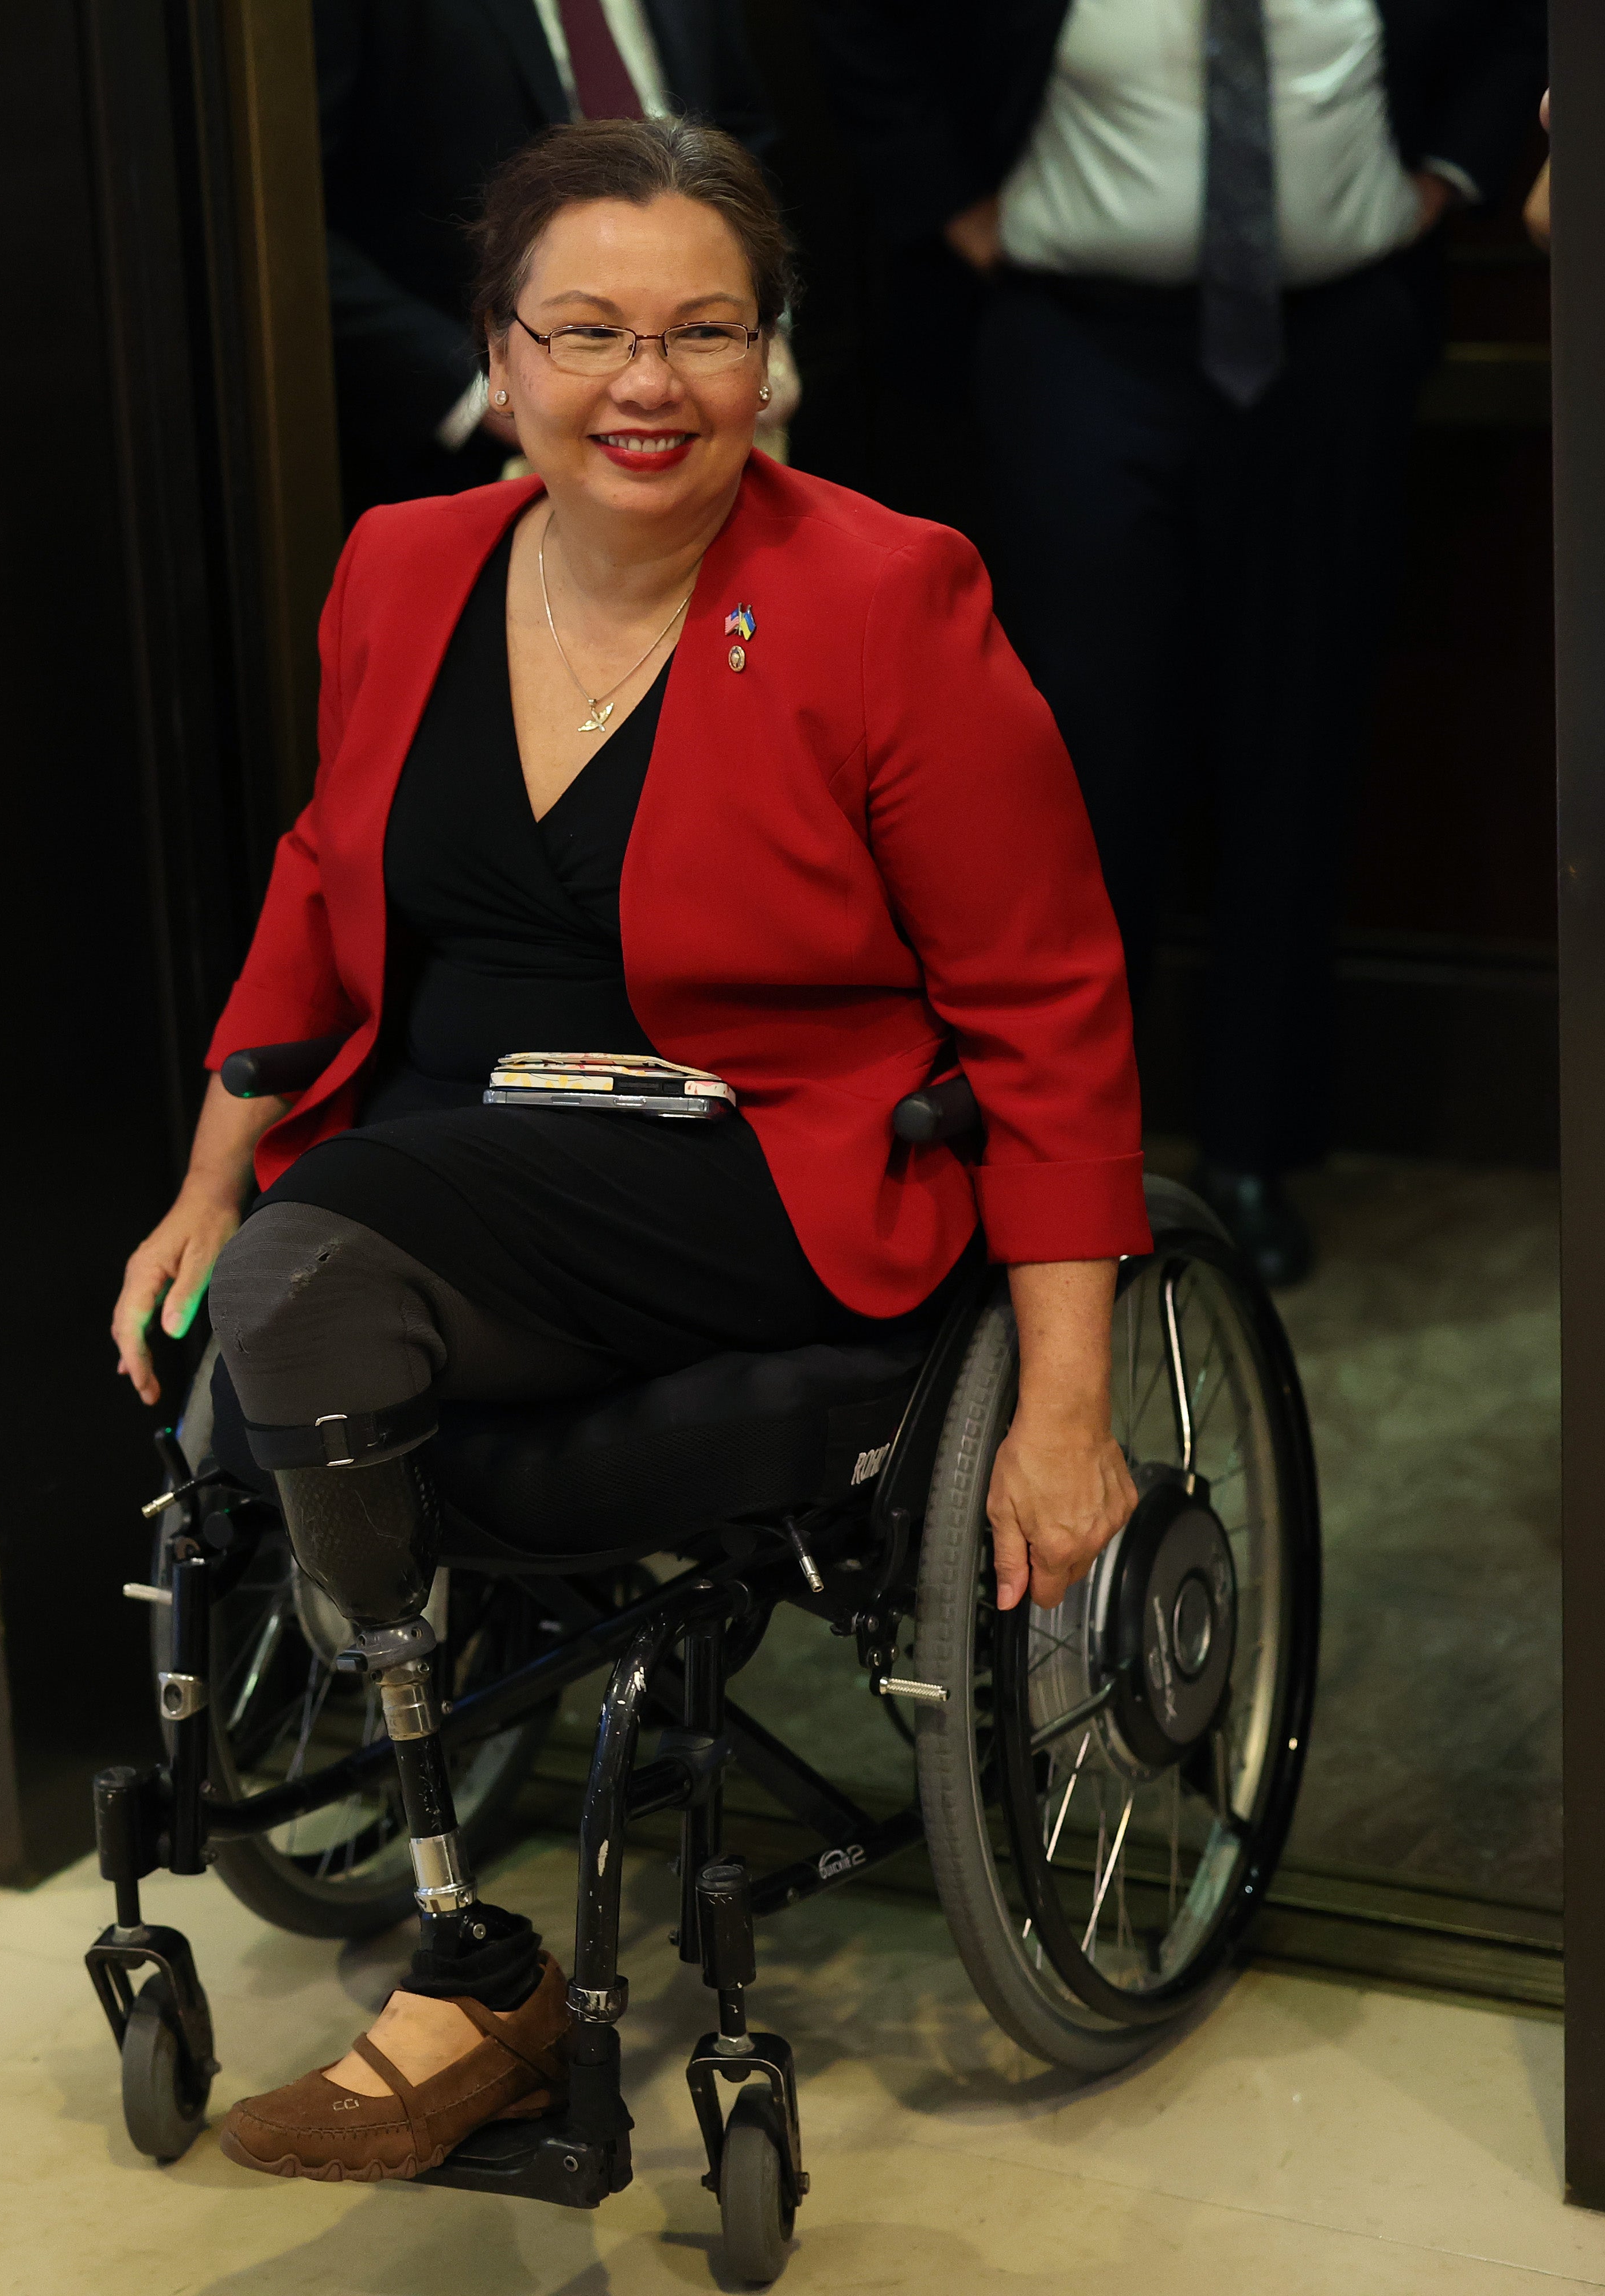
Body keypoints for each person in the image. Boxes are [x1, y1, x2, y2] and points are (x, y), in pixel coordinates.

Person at [108, 116, 1149, 2185]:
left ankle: (470, 1974)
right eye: (584, 330)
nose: (643, 382)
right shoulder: (405, 566)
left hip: (750, 1169)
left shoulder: (885, 596)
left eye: (702, 331)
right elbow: (327, 893)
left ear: (772, 361)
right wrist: (210, 1176)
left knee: (321, 1280)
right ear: (502, 359)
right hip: (447, 1166)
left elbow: (1047, 1003)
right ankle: (440, 1830)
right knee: (295, 1269)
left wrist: (1070, 1400)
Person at [813, 0, 1546, 1283]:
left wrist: (1446, 181)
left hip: (1338, 342)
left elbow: (1513, 30)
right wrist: (953, 209)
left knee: (1301, 738)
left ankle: (1258, 1151)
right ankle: (1076, 1164)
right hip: (1084, 347)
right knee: (1085, 763)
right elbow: (868, 37)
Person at [318, 0, 787, 517]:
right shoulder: (384, 555)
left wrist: (760, 327)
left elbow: (745, 145)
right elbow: (283, 219)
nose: (648, 388)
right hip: (450, 460)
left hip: (729, 451)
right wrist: (481, 392)